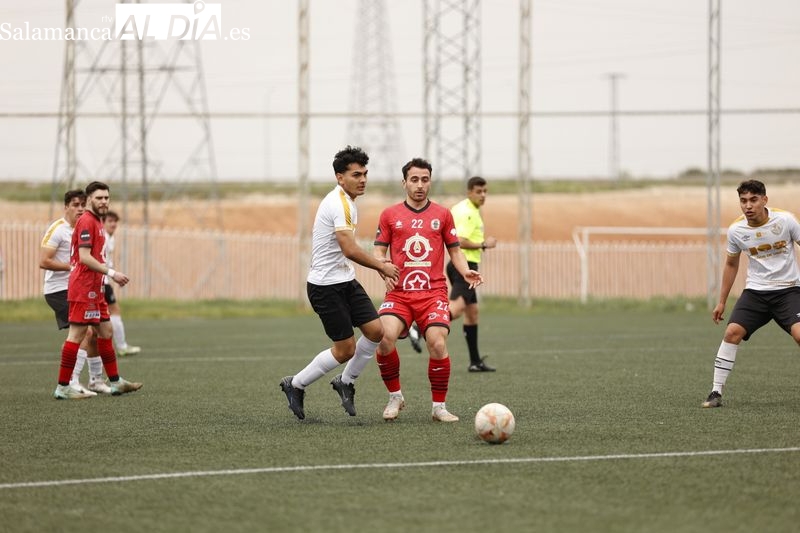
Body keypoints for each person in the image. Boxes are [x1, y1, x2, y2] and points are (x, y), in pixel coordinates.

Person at [279, 146, 399, 420]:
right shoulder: (339, 203)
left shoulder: (348, 201)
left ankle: (346, 382)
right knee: (346, 349)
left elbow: (347, 251)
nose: (363, 179)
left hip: (345, 280)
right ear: (339, 177)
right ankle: (295, 384)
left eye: (365, 174)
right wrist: (382, 266)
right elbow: (349, 248)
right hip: (324, 287)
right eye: (356, 174)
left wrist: (378, 267)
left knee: (375, 331)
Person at [373, 157, 483, 422]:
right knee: (383, 337)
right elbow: (378, 250)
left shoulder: (443, 215)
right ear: (404, 183)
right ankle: (395, 397)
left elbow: (454, 251)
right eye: (414, 180)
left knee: (436, 341)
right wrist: (382, 266)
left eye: (425, 179)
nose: (420, 185)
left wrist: (464, 269)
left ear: (430, 182)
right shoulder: (389, 215)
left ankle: (438, 407)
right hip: (399, 294)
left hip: (432, 294)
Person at [702, 179, 800, 408]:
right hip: (756, 293)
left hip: (788, 290)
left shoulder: (785, 220)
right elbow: (731, 265)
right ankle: (716, 393)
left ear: (764, 200)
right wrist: (721, 302)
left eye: (753, 200)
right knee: (732, 333)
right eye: (743, 200)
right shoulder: (737, 230)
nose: (748, 205)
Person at [53, 181, 143, 399]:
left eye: (106, 197)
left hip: (95, 287)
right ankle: (63, 386)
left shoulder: (96, 222)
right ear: (89, 199)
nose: (103, 201)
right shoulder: (86, 221)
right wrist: (112, 273)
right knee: (77, 335)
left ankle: (115, 382)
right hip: (83, 287)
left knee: (106, 331)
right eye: (99, 197)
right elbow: (84, 257)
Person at [408, 177, 497, 372]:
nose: (483, 195)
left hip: (465, 265)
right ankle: (418, 327)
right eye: (478, 191)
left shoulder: (467, 208)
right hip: (463, 266)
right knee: (456, 309)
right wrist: (484, 244)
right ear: (469, 192)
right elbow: (460, 241)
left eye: (485, 191)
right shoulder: (467, 212)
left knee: (472, 314)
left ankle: (475, 362)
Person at [40, 190, 109, 396]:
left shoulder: (84, 226)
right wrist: (72, 267)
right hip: (59, 290)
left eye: (82, 204)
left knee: (97, 332)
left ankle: (96, 380)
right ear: (66, 207)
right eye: (75, 204)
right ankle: (71, 382)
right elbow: (44, 261)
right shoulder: (58, 229)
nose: (80, 208)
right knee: (83, 332)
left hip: (81, 289)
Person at [102, 211, 141, 356]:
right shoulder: (103, 238)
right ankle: (121, 346)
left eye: (115, 221)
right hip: (101, 281)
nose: (113, 224)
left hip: (105, 280)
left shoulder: (109, 238)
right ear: (102, 223)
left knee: (108, 313)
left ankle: (120, 345)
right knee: (114, 311)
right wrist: (111, 275)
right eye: (110, 221)